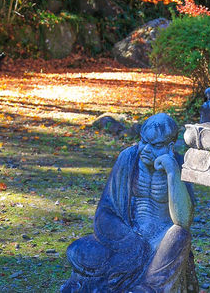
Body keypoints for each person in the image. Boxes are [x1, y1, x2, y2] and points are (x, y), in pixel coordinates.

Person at [60, 113, 196, 293]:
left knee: (180, 236)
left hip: (160, 240)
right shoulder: (128, 159)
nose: (145, 150)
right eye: (143, 141)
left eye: (154, 145)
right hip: (127, 235)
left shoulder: (179, 165)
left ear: (170, 146)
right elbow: (106, 210)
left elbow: (183, 221)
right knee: (79, 251)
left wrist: (171, 171)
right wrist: (131, 241)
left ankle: (148, 287)